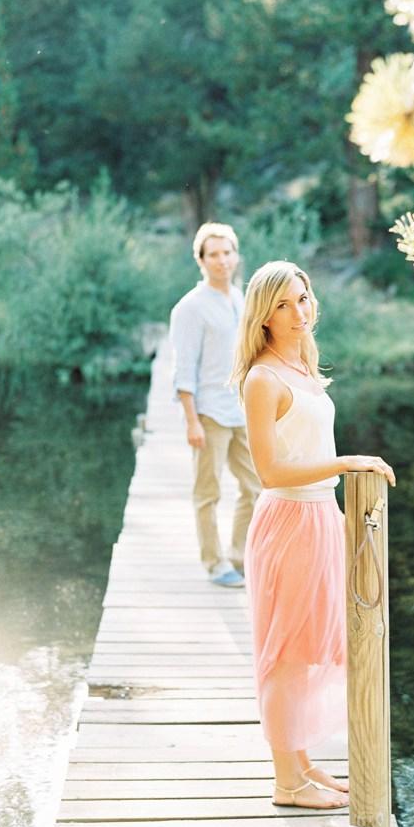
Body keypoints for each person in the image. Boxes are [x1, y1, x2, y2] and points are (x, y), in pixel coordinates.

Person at [232, 261, 395, 809]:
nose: (298, 312)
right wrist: (347, 462)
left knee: (310, 646)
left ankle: (301, 761)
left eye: (302, 299)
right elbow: (272, 472)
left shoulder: (300, 365)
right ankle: (287, 783)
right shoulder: (262, 378)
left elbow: (305, 448)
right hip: (288, 521)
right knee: (287, 652)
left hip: (320, 516)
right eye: (282, 304)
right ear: (263, 316)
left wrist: (343, 518)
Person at [169, 222, 260, 588]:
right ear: (201, 261)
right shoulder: (190, 308)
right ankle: (214, 563)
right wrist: (192, 421)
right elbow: (183, 368)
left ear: (236, 256)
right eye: (214, 255)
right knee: (208, 492)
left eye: (227, 252)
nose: (222, 260)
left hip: (241, 409)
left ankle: (239, 556)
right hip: (209, 413)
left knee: (255, 487)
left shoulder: (239, 298)